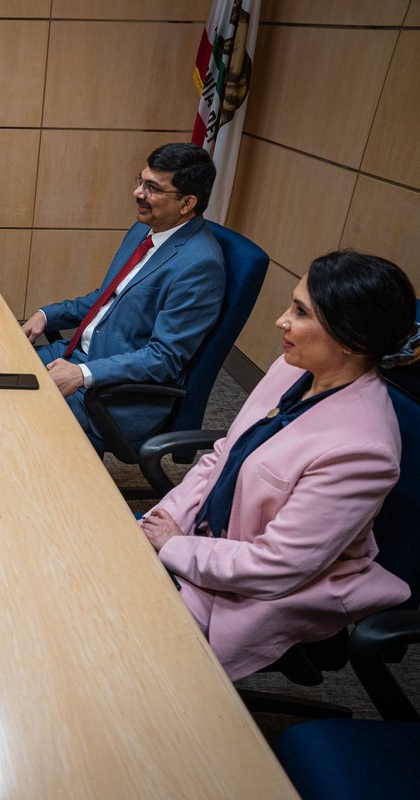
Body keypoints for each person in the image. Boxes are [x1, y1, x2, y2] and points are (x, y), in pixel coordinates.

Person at [140, 251, 420, 680]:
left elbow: (275, 567)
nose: (281, 321)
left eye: (300, 312)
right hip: (196, 539)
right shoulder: (292, 369)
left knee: (113, 647)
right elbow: (222, 456)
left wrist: (175, 547)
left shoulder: (363, 449)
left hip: (243, 592)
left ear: (351, 340)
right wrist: (166, 518)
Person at [22, 143, 225, 449]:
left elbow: (164, 358)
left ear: (187, 203)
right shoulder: (144, 231)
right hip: (74, 355)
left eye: (152, 188)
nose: (138, 193)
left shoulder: (200, 264)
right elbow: (106, 298)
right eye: (140, 182)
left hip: (114, 394)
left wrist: (83, 373)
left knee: (9, 417)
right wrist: (46, 314)